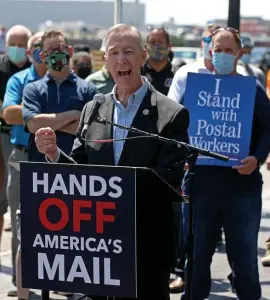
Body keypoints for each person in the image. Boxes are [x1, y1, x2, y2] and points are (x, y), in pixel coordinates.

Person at [34, 23, 190, 300]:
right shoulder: (93, 109)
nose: (121, 59)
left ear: (143, 57)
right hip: (98, 246)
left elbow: (169, 178)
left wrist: (113, 186)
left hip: (147, 244)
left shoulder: (171, 113)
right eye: (114, 52)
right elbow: (81, 173)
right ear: (106, 61)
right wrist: (55, 155)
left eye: (128, 51)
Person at [181, 27, 270, 300]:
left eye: (228, 50)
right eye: (217, 50)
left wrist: (257, 158)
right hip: (200, 186)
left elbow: (268, 129)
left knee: (244, 261)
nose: (222, 55)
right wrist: (183, 157)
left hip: (242, 188)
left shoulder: (252, 89)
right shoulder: (194, 88)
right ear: (209, 51)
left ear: (239, 54)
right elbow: (181, 129)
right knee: (195, 258)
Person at [2, 31, 47, 300]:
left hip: (56, 160)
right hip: (21, 157)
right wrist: (55, 115)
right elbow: (9, 113)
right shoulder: (18, 79)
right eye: (37, 47)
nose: (42, 51)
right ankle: (23, 285)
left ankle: (61, 279)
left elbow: (80, 117)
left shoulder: (67, 81)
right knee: (21, 224)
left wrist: (29, 114)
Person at [22, 29, 98, 164]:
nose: (56, 53)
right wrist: (74, 115)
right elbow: (33, 125)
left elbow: (93, 131)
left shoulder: (88, 89)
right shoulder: (32, 89)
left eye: (60, 48)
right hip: (40, 170)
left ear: (69, 51)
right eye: (51, 50)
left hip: (78, 168)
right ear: (43, 56)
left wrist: (46, 124)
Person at [0, 24, 32, 297]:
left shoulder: (35, 73)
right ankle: (16, 277)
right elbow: (8, 113)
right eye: (15, 44)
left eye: (24, 45)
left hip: (22, 138)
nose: (19, 50)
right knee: (7, 203)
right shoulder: (6, 73)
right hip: (9, 140)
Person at [142, 28, 174, 95]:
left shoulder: (177, 73)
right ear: (146, 47)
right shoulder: (136, 73)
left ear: (169, 46)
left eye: (160, 42)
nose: (157, 46)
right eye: (153, 42)